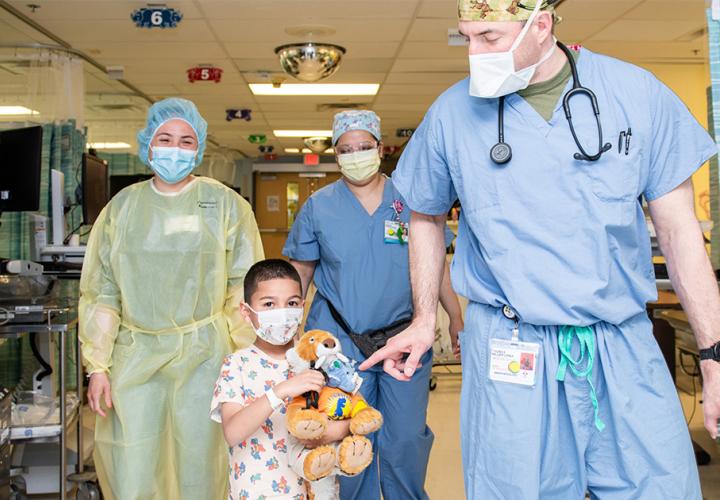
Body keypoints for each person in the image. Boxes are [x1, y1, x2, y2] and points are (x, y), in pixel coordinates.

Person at [361, 1, 720, 498]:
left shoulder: (636, 95)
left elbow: (682, 235)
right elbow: (425, 213)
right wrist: (425, 319)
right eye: (466, 37)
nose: (474, 53)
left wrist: (713, 354)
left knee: (660, 486)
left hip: (619, 340)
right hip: (512, 346)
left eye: (489, 37)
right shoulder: (452, 112)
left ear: (542, 25)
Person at [79, 98, 264, 499]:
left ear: (197, 150)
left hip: (205, 356)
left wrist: (247, 360)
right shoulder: (121, 210)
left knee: (201, 462)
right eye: (165, 138)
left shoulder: (226, 206)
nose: (174, 149)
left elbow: (242, 289)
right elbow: (102, 291)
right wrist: (97, 366)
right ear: (148, 144)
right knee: (133, 464)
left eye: (185, 141)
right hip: (135, 355)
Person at [283, 110, 464, 500]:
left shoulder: (411, 198)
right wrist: (288, 330)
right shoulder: (319, 206)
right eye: (346, 150)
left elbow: (436, 265)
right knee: (347, 432)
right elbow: (300, 271)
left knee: (404, 436)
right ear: (336, 155)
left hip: (404, 337)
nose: (356, 155)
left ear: (381, 148)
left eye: (364, 147)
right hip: (339, 343)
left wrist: (455, 316)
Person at [211, 259, 350, 500]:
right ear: (246, 312)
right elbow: (232, 431)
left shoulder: (319, 361)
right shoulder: (237, 365)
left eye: (292, 303)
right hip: (255, 492)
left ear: (302, 307)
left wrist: (327, 432)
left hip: (311, 490)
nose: (282, 312)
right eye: (268, 304)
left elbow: (350, 418)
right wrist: (281, 391)